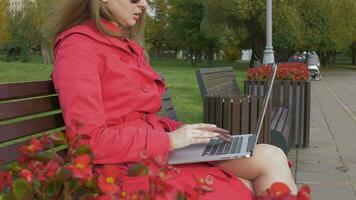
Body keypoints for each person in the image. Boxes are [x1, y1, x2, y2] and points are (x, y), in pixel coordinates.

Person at [50, 0, 297, 199]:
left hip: (152, 152)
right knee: (249, 184)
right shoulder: (78, 48)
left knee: (271, 155)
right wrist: (169, 141)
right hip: (124, 166)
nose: (145, 5)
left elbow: (140, 115)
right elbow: (90, 141)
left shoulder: (121, 43)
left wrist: (185, 132)